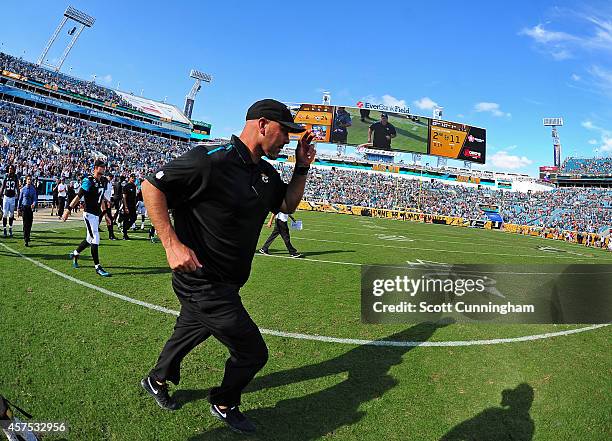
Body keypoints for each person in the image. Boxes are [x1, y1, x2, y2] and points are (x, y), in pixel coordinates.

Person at [140, 98, 315, 435]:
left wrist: (301, 167)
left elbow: (286, 203)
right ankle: (224, 401)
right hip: (203, 282)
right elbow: (152, 186)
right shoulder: (210, 160)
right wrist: (171, 243)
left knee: (191, 329)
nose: (287, 140)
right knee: (252, 352)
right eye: (284, 133)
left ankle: (156, 379)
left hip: (227, 283)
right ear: (262, 125)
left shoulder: (264, 173)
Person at [62, 159, 111, 277]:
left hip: (97, 214)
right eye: (101, 166)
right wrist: (68, 209)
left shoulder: (104, 181)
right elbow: (79, 196)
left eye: (104, 166)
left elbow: (102, 198)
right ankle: (97, 267)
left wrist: (106, 215)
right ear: (95, 167)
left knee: (89, 239)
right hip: (89, 214)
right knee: (96, 237)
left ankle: (75, 253)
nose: (103, 168)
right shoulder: (88, 181)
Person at [17, 175, 37, 247]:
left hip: (30, 208)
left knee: (30, 223)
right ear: (26, 180)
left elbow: (35, 199)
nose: (29, 180)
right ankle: (26, 239)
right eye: (28, 179)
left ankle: (27, 236)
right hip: (24, 208)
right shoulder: (23, 189)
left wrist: (34, 204)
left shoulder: (33, 189)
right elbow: (20, 199)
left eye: (30, 179)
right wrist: (18, 208)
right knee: (25, 224)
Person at [1, 165, 19, 238]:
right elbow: (3, 186)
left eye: (11, 169)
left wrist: (18, 194)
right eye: (9, 168)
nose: (10, 170)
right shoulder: (6, 176)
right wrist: (0, 194)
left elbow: (17, 187)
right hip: (6, 197)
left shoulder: (15, 177)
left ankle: (10, 228)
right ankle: (5, 229)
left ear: (13, 170)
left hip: (12, 197)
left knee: (11, 214)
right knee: (5, 214)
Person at [121, 173, 138, 240]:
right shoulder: (126, 186)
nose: (133, 179)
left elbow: (134, 197)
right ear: (129, 178)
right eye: (132, 178)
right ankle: (125, 234)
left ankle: (125, 229)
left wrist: (135, 205)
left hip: (133, 205)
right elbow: (124, 198)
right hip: (127, 205)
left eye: (134, 178)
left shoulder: (134, 186)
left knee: (134, 218)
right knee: (126, 219)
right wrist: (125, 207)